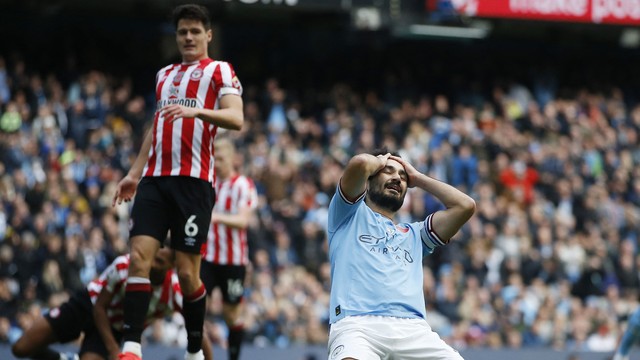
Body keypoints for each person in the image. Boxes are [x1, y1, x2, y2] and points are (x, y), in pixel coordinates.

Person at [111, 4, 244, 360]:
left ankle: (193, 350)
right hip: (155, 181)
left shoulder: (220, 71)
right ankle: (131, 347)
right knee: (139, 257)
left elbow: (236, 118)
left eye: (195, 31)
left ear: (208, 35)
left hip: (194, 184)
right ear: (176, 36)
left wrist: (196, 110)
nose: (188, 37)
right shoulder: (164, 75)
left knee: (187, 275)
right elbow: (157, 126)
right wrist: (134, 174)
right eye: (183, 32)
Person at [326, 149, 476, 359]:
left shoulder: (416, 235)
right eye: (388, 171)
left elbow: (465, 206)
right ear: (368, 181)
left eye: (403, 176)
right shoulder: (347, 215)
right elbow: (360, 162)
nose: (397, 177)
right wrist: (380, 160)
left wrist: (419, 178)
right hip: (358, 325)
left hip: (413, 330)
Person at [11, 248, 213, 360]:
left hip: (113, 328)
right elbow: (99, 307)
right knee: (20, 348)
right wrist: (114, 350)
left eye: (160, 262)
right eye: (153, 257)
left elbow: (198, 332)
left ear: (172, 266)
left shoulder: (175, 291)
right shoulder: (126, 266)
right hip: (86, 305)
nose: (152, 264)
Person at [200, 137, 258, 360]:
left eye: (221, 158)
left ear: (233, 159)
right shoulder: (210, 183)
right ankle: (198, 354)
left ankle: (233, 357)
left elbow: (243, 221)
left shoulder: (243, 185)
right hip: (208, 258)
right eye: (215, 158)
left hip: (233, 262)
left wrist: (213, 217)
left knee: (232, 314)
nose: (217, 162)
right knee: (195, 305)